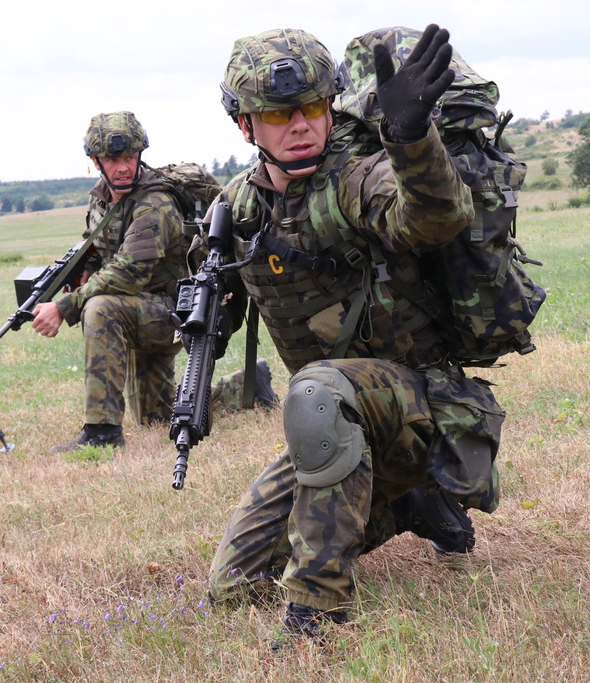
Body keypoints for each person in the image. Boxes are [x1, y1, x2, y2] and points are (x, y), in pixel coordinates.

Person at [201, 26, 506, 644]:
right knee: (235, 584)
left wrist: (411, 140)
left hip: (422, 408)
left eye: (313, 107)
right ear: (244, 125)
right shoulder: (237, 209)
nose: (300, 126)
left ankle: (316, 612)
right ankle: (410, 504)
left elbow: (436, 218)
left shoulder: (358, 176)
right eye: (279, 114)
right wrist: (203, 314)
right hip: (335, 423)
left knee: (316, 391)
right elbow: (218, 301)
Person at [32, 111, 278, 451]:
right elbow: (95, 246)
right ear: (95, 162)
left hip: (175, 312)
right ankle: (245, 386)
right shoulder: (101, 199)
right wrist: (79, 273)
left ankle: (101, 434)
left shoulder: (155, 203)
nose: (123, 167)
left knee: (100, 309)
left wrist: (65, 306)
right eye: (113, 160)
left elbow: (129, 271)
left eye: (130, 157)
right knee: (159, 418)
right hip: (141, 309)